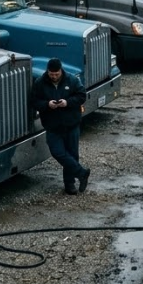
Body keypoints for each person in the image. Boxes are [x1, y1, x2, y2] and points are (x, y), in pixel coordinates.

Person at [31, 58, 89, 195]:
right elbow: (34, 101)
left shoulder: (72, 80)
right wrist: (47, 105)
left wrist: (67, 103)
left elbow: (82, 96)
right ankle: (82, 173)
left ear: (61, 71)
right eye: (51, 74)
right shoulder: (40, 83)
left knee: (72, 154)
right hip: (52, 126)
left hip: (71, 124)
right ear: (48, 72)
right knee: (57, 152)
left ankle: (70, 185)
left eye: (56, 74)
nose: (54, 77)